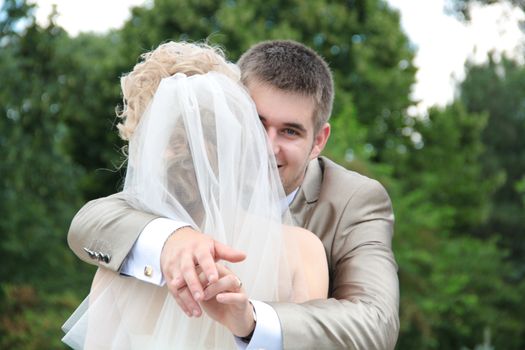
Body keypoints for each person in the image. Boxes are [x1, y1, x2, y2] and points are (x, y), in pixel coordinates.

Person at [68, 40, 399, 349]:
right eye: (256, 122)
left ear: (318, 141)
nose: (267, 147)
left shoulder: (354, 201)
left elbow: (375, 322)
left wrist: (254, 321)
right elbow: (95, 220)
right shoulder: (178, 203)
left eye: (290, 131)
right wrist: (171, 239)